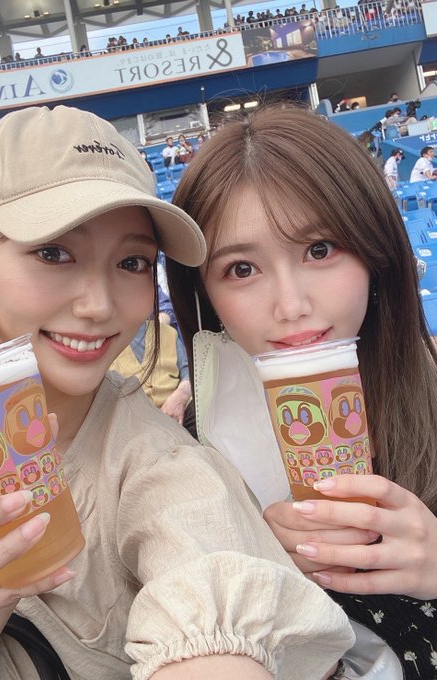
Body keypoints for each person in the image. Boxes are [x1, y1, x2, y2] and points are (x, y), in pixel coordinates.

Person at [0, 105, 354, 680]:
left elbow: (210, 588)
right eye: (53, 252)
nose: (99, 305)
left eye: (131, 262)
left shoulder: (160, 464)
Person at [166, 105, 437, 678]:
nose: (291, 305)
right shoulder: (185, 451)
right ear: (205, 293)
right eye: (242, 269)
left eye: (320, 250)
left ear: (376, 252)